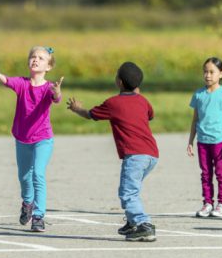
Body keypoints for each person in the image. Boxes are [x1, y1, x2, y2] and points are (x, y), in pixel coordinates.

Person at [67, 62, 158, 242]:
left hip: (135, 155)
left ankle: (143, 224)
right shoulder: (143, 100)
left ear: (120, 82)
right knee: (131, 189)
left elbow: (91, 115)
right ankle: (133, 222)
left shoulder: (113, 103)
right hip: (152, 154)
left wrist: (77, 109)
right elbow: (150, 115)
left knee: (128, 192)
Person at [0, 46, 63, 232]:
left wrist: (58, 92)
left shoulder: (49, 87)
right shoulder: (22, 83)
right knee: (24, 176)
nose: (36, 60)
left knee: (38, 174)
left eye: (41, 58)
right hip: (22, 138)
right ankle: (27, 203)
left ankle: (38, 216)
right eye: (33, 57)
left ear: (48, 67)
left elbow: (56, 98)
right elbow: (8, 81)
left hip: (43, 138)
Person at [187, 57, 222, 218]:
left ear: (221, 74)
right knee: (205, 173)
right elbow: (195, 120)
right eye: (205, 72)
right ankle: (207, 203)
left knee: (221, 173)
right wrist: (190, 141)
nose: (208, 75)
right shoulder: (198, 95)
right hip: (203, 141)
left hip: (219, 142)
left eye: (212, 72)